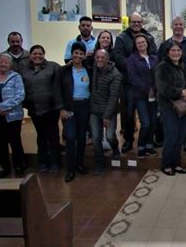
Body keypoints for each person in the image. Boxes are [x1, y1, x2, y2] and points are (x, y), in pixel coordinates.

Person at [115, 12, 157, 153]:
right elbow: (119, 58)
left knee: (149, 116)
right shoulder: (121, 38)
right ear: (129, 23)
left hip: (147, 84)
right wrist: (135, 67)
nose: (136, 24)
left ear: (142, 22)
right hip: (128, 82)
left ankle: (149, 141)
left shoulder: (149, 37)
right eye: (134, 22)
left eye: (139, 22)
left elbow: (154, 56)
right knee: (127, 113)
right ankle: (128, 140)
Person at [157, 16, 186, 152]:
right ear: (172, 26)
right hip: (170, 96)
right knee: (172, 131)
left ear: (184, 26)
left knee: (185, 121)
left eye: (181, 24)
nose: (178, 26)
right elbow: (160, 66)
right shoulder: (164, 45)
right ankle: (169, 161)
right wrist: (181, 90)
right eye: (175, 24)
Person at [155, 41, 186, 176]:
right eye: (173, 50)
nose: (176, 53)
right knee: (171, 137)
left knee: (180, 137)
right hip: (169, 107)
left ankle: (176, 163)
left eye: (178, 50)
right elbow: (163, 88)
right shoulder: (162, 67)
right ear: (167, 52)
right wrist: (181, 92)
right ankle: (166, 164)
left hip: (184, 107)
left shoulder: (184, 66)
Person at [0, 54, 26, 178]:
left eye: (6, 62)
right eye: (0, 62)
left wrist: (2, 107)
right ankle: (5, 168)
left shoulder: (16, 77)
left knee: (15, 142)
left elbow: (20, 95)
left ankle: (19, 166)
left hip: (13, 116)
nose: (3, 64)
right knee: (1, 144)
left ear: (10, 65)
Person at [20, 45, 61, 173]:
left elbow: (63, 79)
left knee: (53, 136)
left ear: (44, 54)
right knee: (41, 136)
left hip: (51, 109)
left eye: (40, 54)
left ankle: (55, 162)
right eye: (35, 54)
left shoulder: (53, 67)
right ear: (30, 55)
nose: (37, 56)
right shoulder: (24, 70)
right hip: (34, 109)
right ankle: (43, 162)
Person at [58, 42, 91, 183]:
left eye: (81, 53)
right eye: (75, 53)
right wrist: (61, 109)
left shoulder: (89, 69)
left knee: (82, 137)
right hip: (69, 107)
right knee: (70, 137)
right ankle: (70, 169)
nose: (78, 56)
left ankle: (79, 164)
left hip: (84, 106)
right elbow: (57, 90)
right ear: (72, 54)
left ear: (84, 55)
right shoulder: (64, 70)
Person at [89, 49, 122, 175]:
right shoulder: (93, 70)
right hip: (94, 110)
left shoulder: (116, 74)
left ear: (108, 59)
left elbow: (113, 97)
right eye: (97, 57)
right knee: (96, 138)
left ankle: (115, 148)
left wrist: (107, 116)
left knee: (109, 136)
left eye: (102, 57)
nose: (99, 60)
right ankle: (99, 164)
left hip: (109, 111)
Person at [127, 34, 159, 159]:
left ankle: (149, 145)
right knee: (145, 123)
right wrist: (147, 89)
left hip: (154, 95)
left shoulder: (154, 58)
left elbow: (158, 75)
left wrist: (154, 89)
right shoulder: (132, 59)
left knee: (153, 122)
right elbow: (132, 77)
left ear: (147, 43)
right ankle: (141, 146)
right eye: (138, 43)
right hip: (140, 95)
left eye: (143, 42)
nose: (141, 44)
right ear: (135, 45)